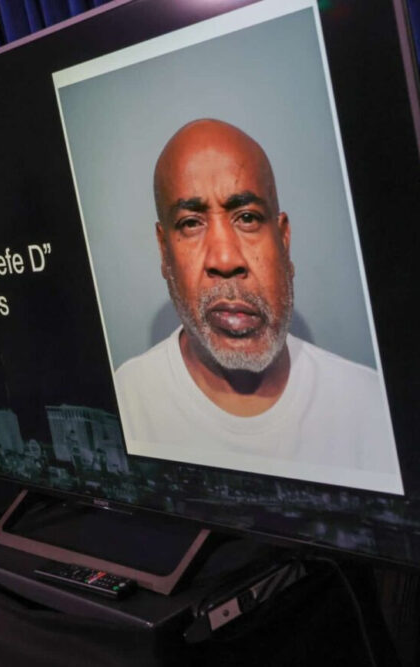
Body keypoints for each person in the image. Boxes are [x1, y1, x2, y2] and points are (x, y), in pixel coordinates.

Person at [113, 119, 399, 479]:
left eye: (247, 218)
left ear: (283, 239)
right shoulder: (125, 401)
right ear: (164, 251)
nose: (225, 259)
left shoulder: (373, 408)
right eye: (190, 223)